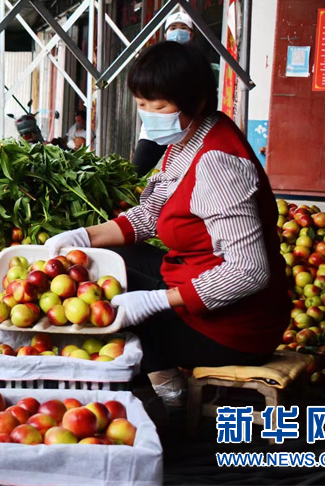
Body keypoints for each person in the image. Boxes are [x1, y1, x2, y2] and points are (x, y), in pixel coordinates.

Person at [46, 41, 289, 403]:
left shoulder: (217, 164)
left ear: (197, 102)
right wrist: (83, 237)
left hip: (231, 328)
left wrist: (158, 301)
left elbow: (249, 271)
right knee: (107, 262)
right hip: (191, 279)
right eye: (142, 106)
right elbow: (150, 214)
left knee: (106, 320)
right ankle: (165, 378)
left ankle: (167, 396)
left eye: (159, 107)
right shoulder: (189, 138)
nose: (149, 116)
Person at [131, 11, 196, 176]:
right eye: (173, 27)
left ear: (191, 33)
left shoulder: (196, 64)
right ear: (166, 34)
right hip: (153, 132)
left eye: (183, 27)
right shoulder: (155, 61)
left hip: (185, 130)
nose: (178, 31)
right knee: (135, 177)